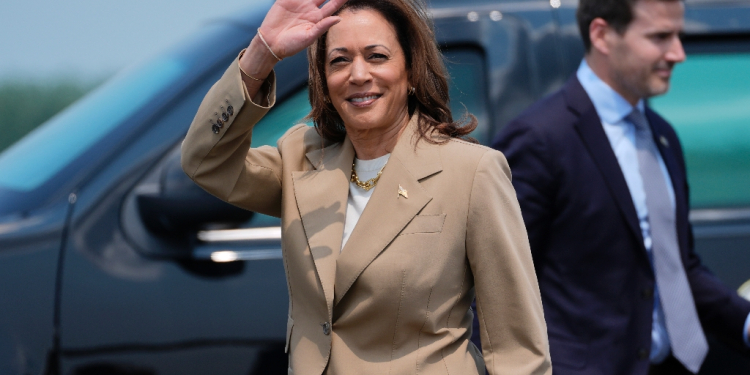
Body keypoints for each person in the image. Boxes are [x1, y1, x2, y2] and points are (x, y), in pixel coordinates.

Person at [180, 0, 551, 374]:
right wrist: (262, 53)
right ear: (324, 80)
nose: (358, 74)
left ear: (409, 71)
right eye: (339, 60)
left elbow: (518, 351)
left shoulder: (472, 173)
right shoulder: (299, 158)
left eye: (376, 56)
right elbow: (205, 162)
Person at [489, 0, 750, 373]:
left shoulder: (662, 135)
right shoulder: (541, 138)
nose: (678, 53)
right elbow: (497, 284)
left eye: (678, 35)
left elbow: (676, 266)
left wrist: (745, 321)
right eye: (660, 37)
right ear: (602, 35)